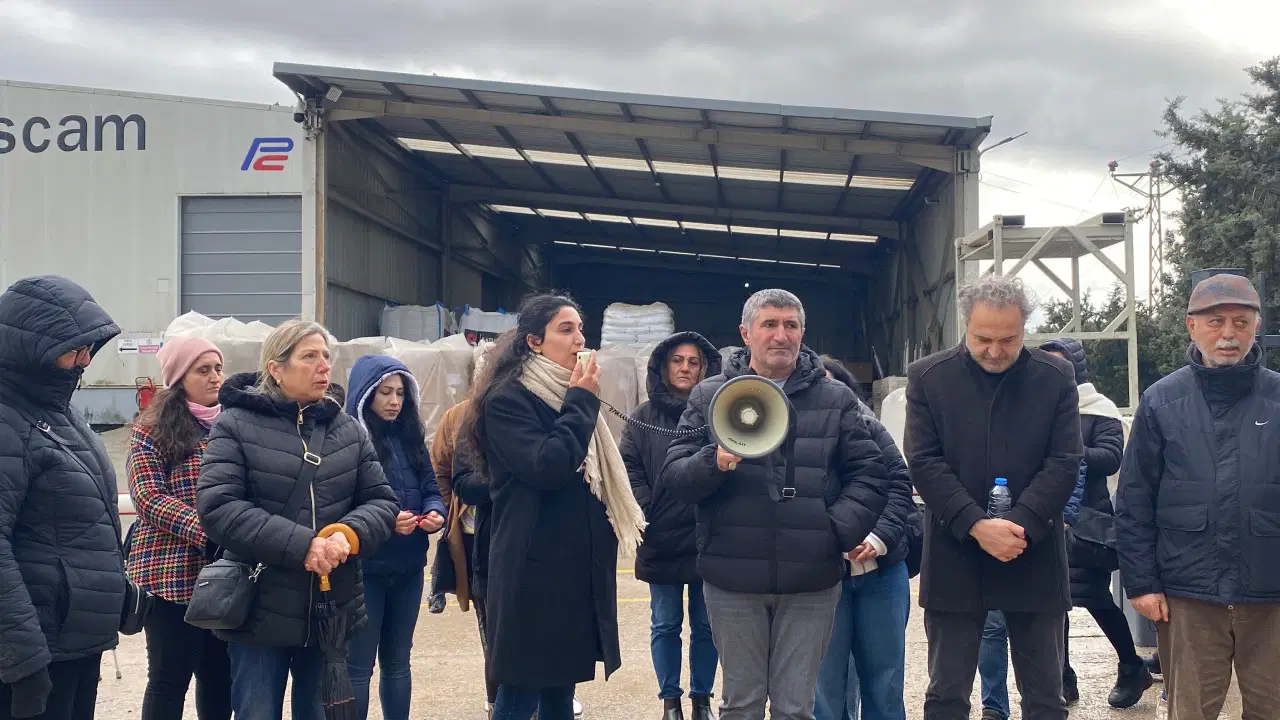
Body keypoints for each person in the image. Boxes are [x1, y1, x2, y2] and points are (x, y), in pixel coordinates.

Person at [662, 288, 889, 720]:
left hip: (810, 581)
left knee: (795, 708)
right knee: (740, 705)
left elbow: (871, 473)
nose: (780, 335)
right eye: (769, 324)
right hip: (733, 579)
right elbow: (675, 479)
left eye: (791, 325)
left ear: (803, 333)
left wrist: (832, 531)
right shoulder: (709, 397)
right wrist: (714, 460)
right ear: (745, 333)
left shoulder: (835, 398)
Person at [195, 318, 399, 720]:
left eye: (326, 356)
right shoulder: (235, 425)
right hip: (259, 608)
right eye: (309, 357)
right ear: (276, 367)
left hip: (330, 606)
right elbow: (219, 506)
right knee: (257, 712)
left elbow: (381, 501)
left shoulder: (348, 431)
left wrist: (347, 534)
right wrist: (304, 545)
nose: (324, 365)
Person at [904, 275, 1083, 720]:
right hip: (955, 548)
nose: (996, 350)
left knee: (1044, 696)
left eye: (1010, 339)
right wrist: (976, 525)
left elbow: (1064, 461)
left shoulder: (1055, 376)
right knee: (946, 694)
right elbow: (924, 461)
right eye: (983, 339)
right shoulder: (928, 377)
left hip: (1033, 546)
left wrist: (1019, 524)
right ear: (965, 326)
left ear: (1026, 329)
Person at [460, 293, 646, 720]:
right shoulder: (509, 399)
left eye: (581, 328)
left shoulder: (565, 393)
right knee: (520, 694)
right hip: (532, 573)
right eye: (566, 329)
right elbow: (548, 467)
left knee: (561, 695)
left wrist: (579, 400)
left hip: (571, 572)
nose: (580, 339)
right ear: (533, 343)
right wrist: (581, 401)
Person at [1116, 273, 1280, 719]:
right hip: (1188, 594)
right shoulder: (1161, 401)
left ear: (1256, 326)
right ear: (1192, 326)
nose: (1228, 334)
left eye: (1241, 322)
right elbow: (1134, 501)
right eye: (1216, 322)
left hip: (1271, 592)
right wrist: (1142, 582)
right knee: (1191, 710)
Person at [0, 276, 125, 720]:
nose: (86, 359)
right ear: (34, 347)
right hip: (37, 648)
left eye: (91, 347)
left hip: (75, 640)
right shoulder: (8, 423)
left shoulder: (62, 413)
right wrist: (22, 659)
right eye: (75, 348)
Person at [126, 337, 232, 720]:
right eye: (203, 370)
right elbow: (148, 497)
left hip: (225, 576)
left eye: (218, 368)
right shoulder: (150, 429)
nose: (215, 378)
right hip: (169, 577)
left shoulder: (232, 426)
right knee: (169, 680)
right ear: (178, 377)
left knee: (220, 678)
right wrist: (210, 530)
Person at [620, 332, 722, 720]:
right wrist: (646, 510)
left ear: (705, 368)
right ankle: (670, 700)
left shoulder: (717, 411)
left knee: (706, 623)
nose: (684, 368)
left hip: (706, 534)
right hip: (659, 535)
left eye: (693, 362)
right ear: (663, 367)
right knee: (664, 623)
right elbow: (628, 466)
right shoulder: (643, 418)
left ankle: (701, 698)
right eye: (677, 361)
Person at [343, 354, 446, 720]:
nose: (394, 401)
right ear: (365, 395)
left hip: (408, 567)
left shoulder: (411, 438)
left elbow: (431, 486)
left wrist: (437, 512)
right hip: (365, 569)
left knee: (399, 661)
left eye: (400, 393)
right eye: (385, 392)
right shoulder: (350, 441)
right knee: (359, 665)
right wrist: (387, 522)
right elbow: (342, 502)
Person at [814, 356, 918, 720]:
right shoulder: (796, 439)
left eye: (833, 383)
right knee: (825, 689)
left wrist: (878, 538)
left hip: (882, 573)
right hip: (823, 577)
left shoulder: (873, 429)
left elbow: (899, 486)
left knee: (885, 683)